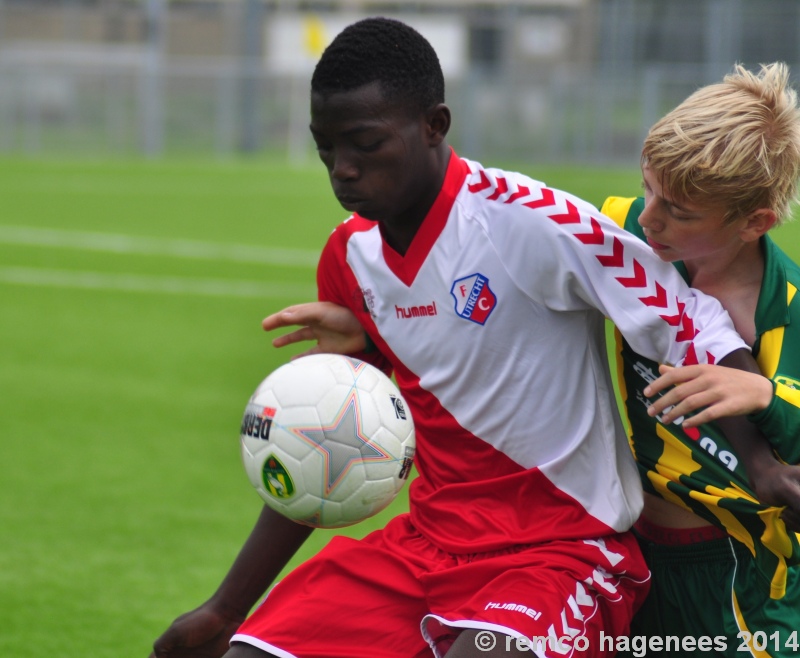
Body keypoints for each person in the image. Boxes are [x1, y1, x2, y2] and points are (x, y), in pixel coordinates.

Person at [151, 18, 772, 658]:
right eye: (326, 149)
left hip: (562, 553)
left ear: (434, 125)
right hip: (424, 550)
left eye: (365, 144)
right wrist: (224, 609)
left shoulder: (532, 221)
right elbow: (324, 446)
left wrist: (764, 464)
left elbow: (686, 316)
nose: (343, 170)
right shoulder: (349, 258)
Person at [599, 62, 800, 656]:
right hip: (629, 555)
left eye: (680, 212)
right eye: (648, 188)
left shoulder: (785, 314)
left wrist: (766, 396)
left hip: (746, 578)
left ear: (754, 223)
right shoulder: (618, 231)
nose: (650, 216)